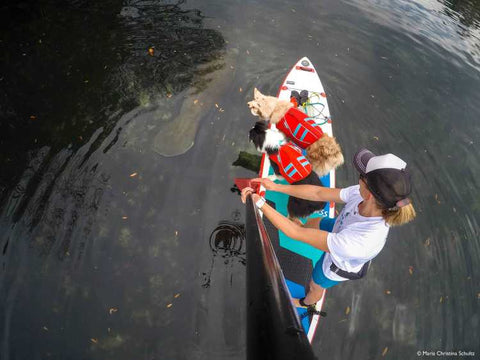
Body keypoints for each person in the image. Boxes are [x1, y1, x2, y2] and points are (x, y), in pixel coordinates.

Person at [240, 149, 416, 308]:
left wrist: (259, 202)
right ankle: (310, 231)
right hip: (342, 227)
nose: (359, 178)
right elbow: (318, 193)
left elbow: (295, 233)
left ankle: (304, 303)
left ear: (369, 193)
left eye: (361, 176)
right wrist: (276, 187)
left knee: (316, 284)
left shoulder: (360, 242)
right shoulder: (364, 194)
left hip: (339, 261)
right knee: (315, 222)